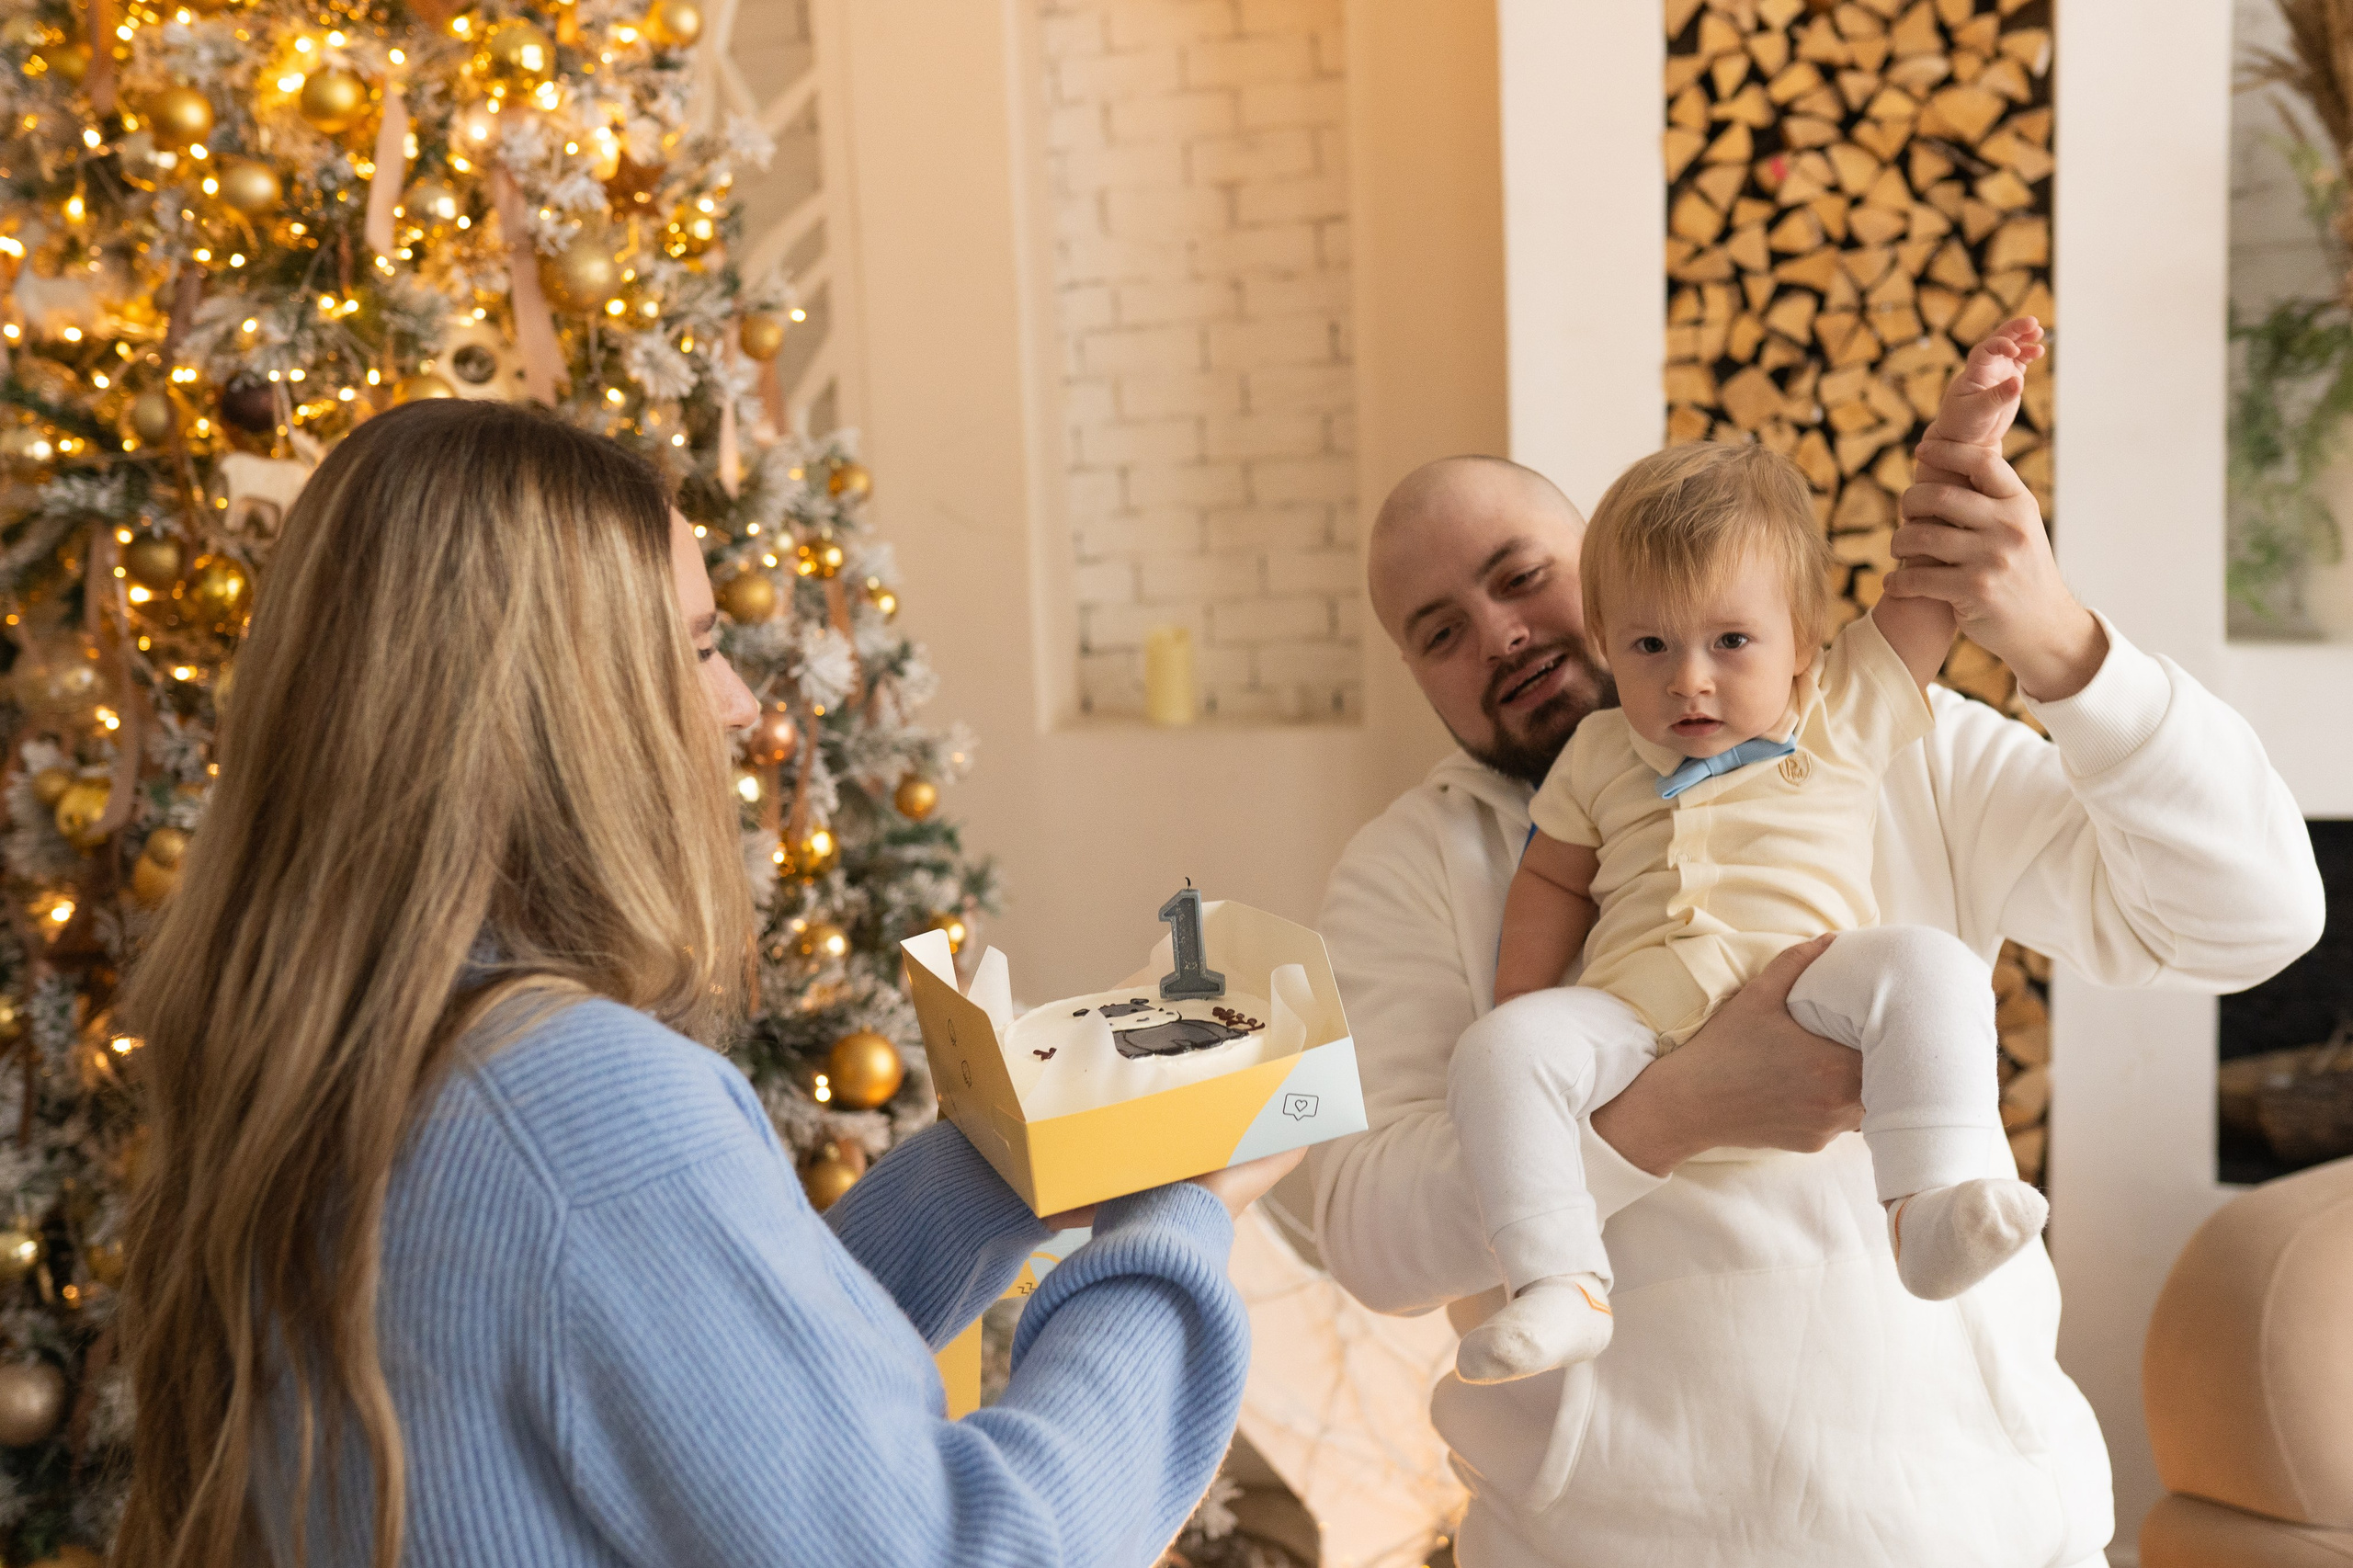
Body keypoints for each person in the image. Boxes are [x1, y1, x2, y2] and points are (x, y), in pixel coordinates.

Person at [112, 399, 1298, 1568]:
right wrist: (1183, 1215)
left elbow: (715, 1390)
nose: (741, 706)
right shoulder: (569, 1101)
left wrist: (996, 1163)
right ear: (560, 706)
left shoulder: (349, 1050)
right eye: (698, 647)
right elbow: (975, 1550)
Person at [1311, 403, 2325, 1561]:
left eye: (1519, 576)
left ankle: (1929, 1209)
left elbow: (2253, 919)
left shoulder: (1890, 738)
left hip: (1976, 1530)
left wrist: (2055, 640)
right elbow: (1366, 1236)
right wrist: (1673, 1113)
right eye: (1439, 631)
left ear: (1600, 564)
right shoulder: (1404, 869)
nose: (1496, 635)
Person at [1457, 327, 2052, 1385]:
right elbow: (1551, 875)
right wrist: (1519, 1007)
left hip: (1811, 990)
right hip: (1630, 1019)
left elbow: (1925, 580)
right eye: (1649, 646)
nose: (1688, 680)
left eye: (1730, 642)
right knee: (1492, 1055)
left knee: (1934, 966)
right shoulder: (1600, 749)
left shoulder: (1845, 707)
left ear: (1803, 641)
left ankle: (1927, 1203)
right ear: (1606, 641)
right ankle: (1558, 1282)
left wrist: (1966, 429)